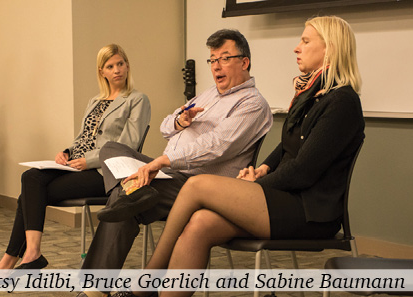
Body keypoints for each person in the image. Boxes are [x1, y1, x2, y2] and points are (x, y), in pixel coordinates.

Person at [116, 15, 365, 297]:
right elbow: (286, 148)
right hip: (286, 200)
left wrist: (256, 185)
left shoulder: (342, 101)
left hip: (310, 212)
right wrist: (262, 169)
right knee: (200, 223)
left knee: (196, 185)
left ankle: (144, 285)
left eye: (305, 41)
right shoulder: (311, 94)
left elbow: (303, 171)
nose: (297, 48)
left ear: (330, 48)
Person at [76, 29, 273, 297]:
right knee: (112, 149)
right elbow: (165, 125)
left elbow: (217, 145)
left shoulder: (252, 104)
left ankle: (93, 290)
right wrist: (181, 121)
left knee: (126, 198)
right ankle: (132, 194)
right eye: (212, 60)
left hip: (199, 190)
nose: (216, 66)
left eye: (224, 58)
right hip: (171, 178)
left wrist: (163, 160)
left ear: (244, 62)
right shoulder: (207, 95)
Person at [0, 44, 151, 270]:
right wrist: (67, 152)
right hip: (77, 164)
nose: (117, 70)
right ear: (101, 72)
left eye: (120, 64)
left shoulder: (137, 99)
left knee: (29, 196)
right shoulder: (95, 101)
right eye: (110, 66)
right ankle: (30, 253)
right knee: (31, 177)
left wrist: (89, 161)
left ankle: (13, 260)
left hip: (103, 172)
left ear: (127, 66)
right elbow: (83, 138)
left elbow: (128, 144)